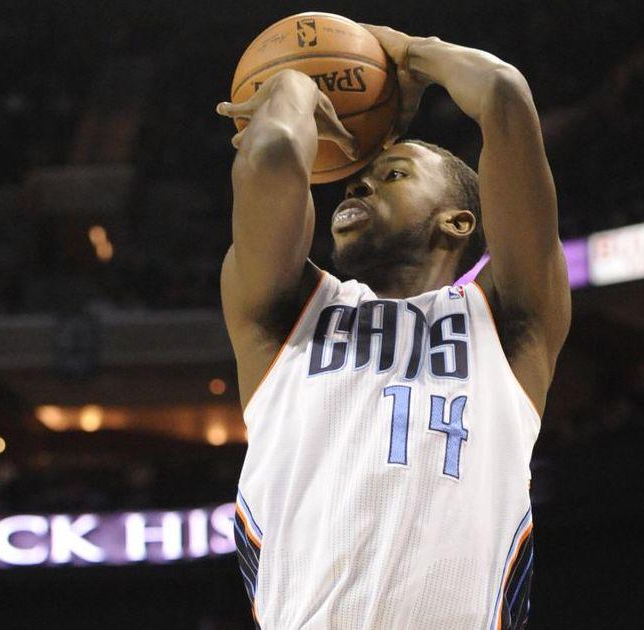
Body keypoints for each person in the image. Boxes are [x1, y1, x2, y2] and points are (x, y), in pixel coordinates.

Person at [216, 23, 571, 629]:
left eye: (395, 175)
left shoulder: (509, 320)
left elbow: (504, 93)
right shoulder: (285, 314)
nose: (359, 182)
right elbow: (272, 156)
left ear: (458, 222)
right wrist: (292, 88)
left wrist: (409, 54)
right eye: (358, 178)